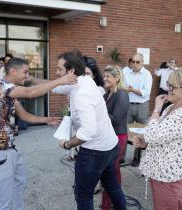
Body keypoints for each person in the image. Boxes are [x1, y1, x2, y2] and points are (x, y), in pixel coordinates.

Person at [0, 57, 77, 210]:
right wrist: (60, 81)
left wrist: (47, 119)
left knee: (19, 182)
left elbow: (24, 115)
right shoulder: (0, 86)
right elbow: (30, 92)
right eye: (25, 72)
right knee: (4, 195)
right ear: (12, 71)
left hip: (9, 148)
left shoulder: (8, 92)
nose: (27, 76)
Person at [56, 51, 126, 210]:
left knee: (83, 195)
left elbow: (88, 132)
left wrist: (67, 144)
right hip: (109, 147)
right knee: (113, 187)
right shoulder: (85, 80)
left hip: (95, 153)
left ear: (71, 71)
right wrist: (32, 81)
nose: (56, 73)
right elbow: (56, 87)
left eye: (59, 69)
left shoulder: (82, 93)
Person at [132, 68, 182, 210]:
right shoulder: (171, 108)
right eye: (168, 84)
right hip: (164, 177)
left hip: (173, 183)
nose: (167, 89)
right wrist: (145, 144)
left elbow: (152, 134)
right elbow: (159, 137)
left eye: (172, 87)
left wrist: (156, 109)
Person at [101, 65, 129, 210]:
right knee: (109, 170)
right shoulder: (106, 95)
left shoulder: (122, 95)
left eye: (108, 76)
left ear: (117, 78)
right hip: (109, 136)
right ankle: (110, 202)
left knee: (112, 170)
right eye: (104, 76)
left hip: (118, 136)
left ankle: (111, 203)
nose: (104, 79)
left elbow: (115, 119)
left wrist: (97, 112)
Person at [122, 53, 152, 166]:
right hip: (128, 104)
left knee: (141, 132)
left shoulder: (147, 74)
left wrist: (133, 90)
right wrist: (126, 89)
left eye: (137, 62)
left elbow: (145, 93)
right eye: (133, 61)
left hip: (142, 105)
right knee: (124, 130)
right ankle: (121, 157)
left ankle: (137, 158)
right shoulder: (126, 72)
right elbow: (122, 86)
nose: (134, 64)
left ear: (142, 62)